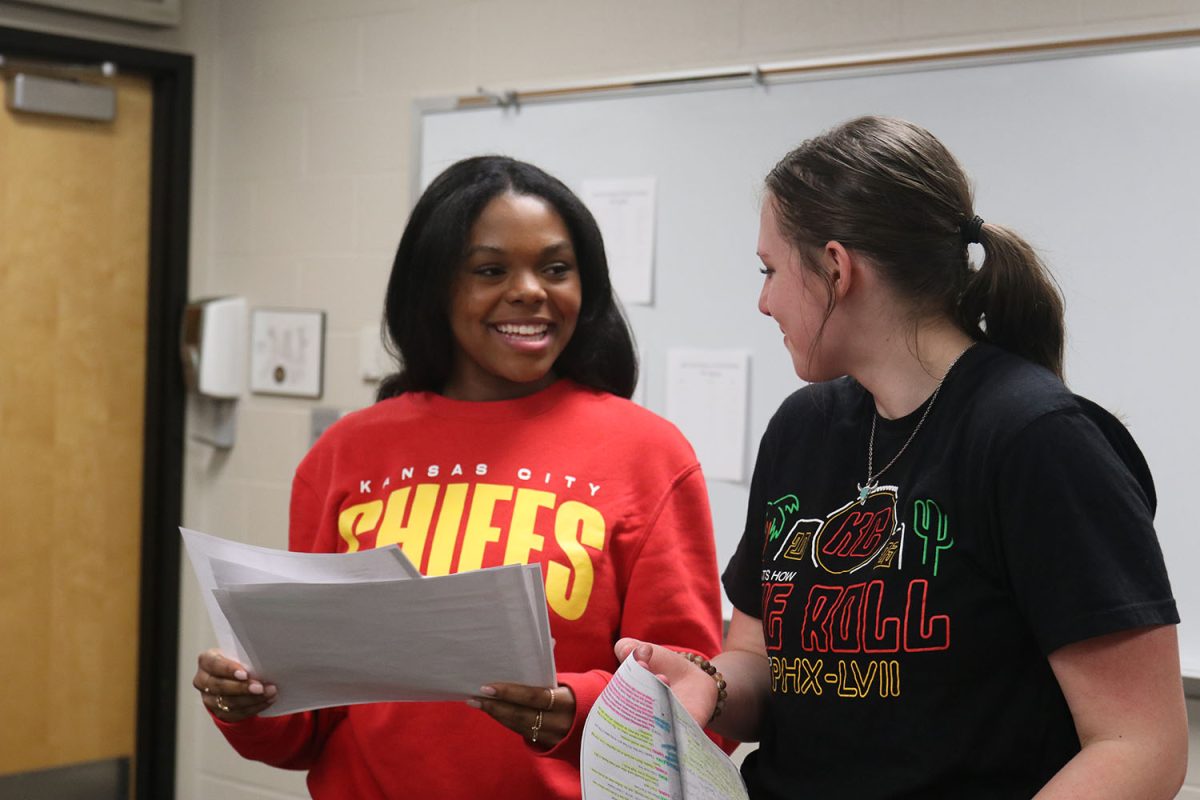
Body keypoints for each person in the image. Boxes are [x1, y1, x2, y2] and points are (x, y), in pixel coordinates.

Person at [617, 115, 1187, 799]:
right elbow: (757, 659)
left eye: (770, 271)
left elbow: (1139, 745)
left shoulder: (1037, 440)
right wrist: (707, 681)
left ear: (836, 267)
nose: (763, 301)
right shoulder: (804, 429)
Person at [192, 155, 726, 798]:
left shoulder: (648, 453)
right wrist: (245, 702)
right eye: (491, 270)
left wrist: (570, 707)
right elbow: (309, 727)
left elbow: (698, 710)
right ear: (436, 288)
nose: (531, 290)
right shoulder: (345, 454)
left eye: (556, 268)